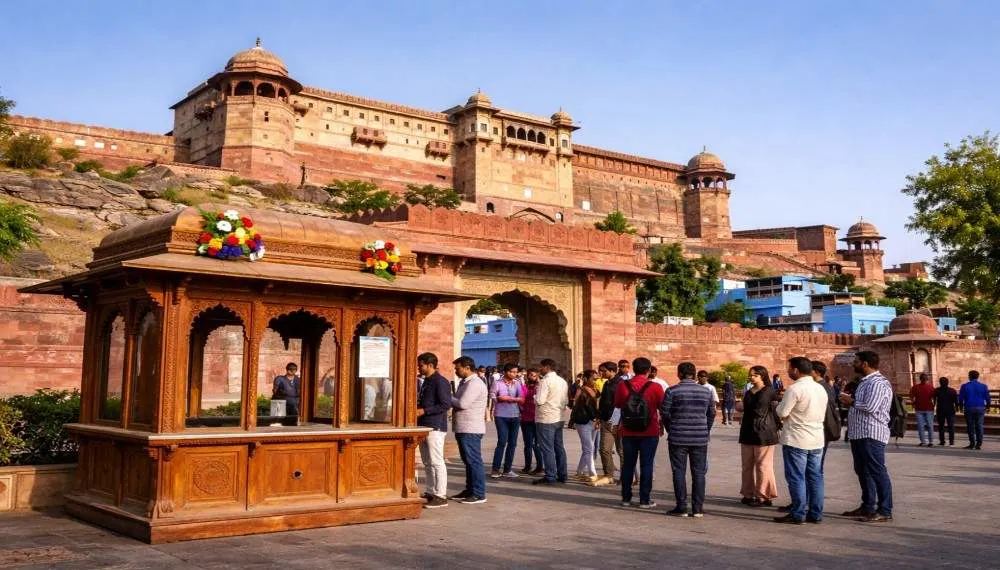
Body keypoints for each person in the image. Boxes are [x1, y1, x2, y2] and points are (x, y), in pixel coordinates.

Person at [838, 351, 894, 522]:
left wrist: (851, 401)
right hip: (859, 433)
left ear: (865, 364)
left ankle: (885, 509)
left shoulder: (878, 383)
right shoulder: (864, 382)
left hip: (872, 432)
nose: (853, 364)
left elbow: (871, 407)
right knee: (862, 470)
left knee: (877, 470)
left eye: (856, 361)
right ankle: (868, 506)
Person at [773, 357, 827, 525]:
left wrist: (778, 405)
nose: (788, 372)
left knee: (797, 477)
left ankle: (798, 513)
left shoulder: (795, 389)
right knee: (815, 477)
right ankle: (816, 513)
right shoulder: (820, 388)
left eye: (789, 368)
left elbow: (782, 412)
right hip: (816, 437)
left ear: (796, 370)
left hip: (797, 438)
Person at [660, 361, 715, 517]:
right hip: (699, 438)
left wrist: (671, 428)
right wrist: (705, 429)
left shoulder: (672, 391)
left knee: (679, 471)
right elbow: (711, 414)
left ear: (679, 374)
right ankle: (697, 508)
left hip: (678, 437)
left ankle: (681, 506)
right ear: (695, 374)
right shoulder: (706, 392)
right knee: (699, 473)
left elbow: (665, 413)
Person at [615, 357, 666, 509]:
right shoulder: (655, 387)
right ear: (648, 370)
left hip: (628, 430)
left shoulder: (622, 385)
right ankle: (644, 499)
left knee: (628, 465)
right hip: (649, 431)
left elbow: (618, 404)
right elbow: (662, 406)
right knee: (647, 465)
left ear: (633, 369)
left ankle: (626, 497)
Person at [738, 365, 779, 508]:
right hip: (748, 430)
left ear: (762, 376)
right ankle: (748, 493)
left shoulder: (768, 391)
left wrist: (742, 406)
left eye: (754, 375)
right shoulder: (749, 391)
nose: (751, 377)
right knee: (747, 465)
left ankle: (763, 495)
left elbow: (760, 408)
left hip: (764, 431)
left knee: (763, 466)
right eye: (750, 375)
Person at [416, 352, 453, 509]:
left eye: (421, 364)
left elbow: (445, 404)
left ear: (430, 365)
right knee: (427, 461)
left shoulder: (440, 381)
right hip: (424, 425)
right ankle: (431, 491)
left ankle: (440, 494)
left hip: (435, 426)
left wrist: (424, 411)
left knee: (437, 461)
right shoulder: (427, 381)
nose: (419, 367)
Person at [450, 356, 488, 504]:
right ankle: (470, 489)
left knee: (473, 461)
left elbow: (463, 403)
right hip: (464, 426)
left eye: (458, 368)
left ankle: (478, 493)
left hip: (471, 427)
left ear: (467, 368)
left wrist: (448, 397)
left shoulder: (475, 383)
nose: (456, 371)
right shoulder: (465, 383)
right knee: (468, 461)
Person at [533, 358, 569, 486]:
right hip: (558, 416)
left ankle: (550, 476)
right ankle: (562, 474)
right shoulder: (562, 381)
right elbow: (566, 400)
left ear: (547, 367)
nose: (539, 369)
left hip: (546, 418)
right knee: (558, 447)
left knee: (547, 448)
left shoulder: (545, 381)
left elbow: (540, 401)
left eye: (541, 367)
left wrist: (534, 396)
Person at [489, 363, 524, 479]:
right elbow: (493, 396)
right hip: (501, 415)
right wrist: (500, 399)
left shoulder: (517, 383)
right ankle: (495, 469)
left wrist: (508, 399)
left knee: (512, 443)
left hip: (515, 416)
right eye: (512, 372)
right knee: (502, 441)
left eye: (515, 372)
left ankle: (507, 469)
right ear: (505, 372)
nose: (514, 374)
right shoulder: (497, 383)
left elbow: (522, 398)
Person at [571, 371, 600, 483]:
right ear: (586, 379)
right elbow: (576, 406)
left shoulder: (596, 390)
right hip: (583, 422)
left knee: (588, 449)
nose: (595, 381)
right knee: (589, 449)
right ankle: (593, 474)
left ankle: (579, 472)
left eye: (596, 379)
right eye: (593, 379)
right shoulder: (580, 390)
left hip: (594, 422)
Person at [596, 361, 623, 485]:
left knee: (621, 451)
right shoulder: (607, 383)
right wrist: (599, 417)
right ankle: (609, 474)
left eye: (604, 370)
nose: (601, 373)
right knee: (604, 449)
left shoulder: (622, 384)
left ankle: (627, 476)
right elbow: (603, 403)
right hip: (606, 421)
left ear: (612, 371)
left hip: (619, 422)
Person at [519, 368, 544, 474]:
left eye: (534, 375)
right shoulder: (524, 387)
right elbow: (521, 400)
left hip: (537, 419)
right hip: (526, 419)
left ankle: (539, 466)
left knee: (537, 444)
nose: (531, 377)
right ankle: (527, 466)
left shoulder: (541, 388)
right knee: (528, 444)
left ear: (537, 376)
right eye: (530, 375)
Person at [958, 370, 991, 449]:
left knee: (970, 426)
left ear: (969, 376)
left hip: (969, 407)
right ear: (977, 377)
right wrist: (988, 406)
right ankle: (979, 443)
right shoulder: (983, 386)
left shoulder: (965, 386)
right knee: (979, 425)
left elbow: (961, 398)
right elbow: (987, 398)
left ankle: (972, 443)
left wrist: (960, 407)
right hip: (980, 407)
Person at [910, 373, 936, 447]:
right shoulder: (930, 387)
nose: (924, 380)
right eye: (924, 378)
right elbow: (911, 396)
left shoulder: (917, 387)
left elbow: (911, 396)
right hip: (925, 409)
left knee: (923, 426)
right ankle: (928, 441)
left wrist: (913, 402)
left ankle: (926, 441)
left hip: (923, 409)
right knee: (928, 426)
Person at [933, 377, 958, 446]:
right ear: (948, 383)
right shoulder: (952, 390)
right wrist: (957, 408)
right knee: (951, 426)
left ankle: (942, 441)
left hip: (940, 410)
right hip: (950, 410)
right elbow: (956, 401)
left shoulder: (937, 390)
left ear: (940, 383)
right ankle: (951, 441)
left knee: (941, 426)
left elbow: (934, 400)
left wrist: (933, 407)